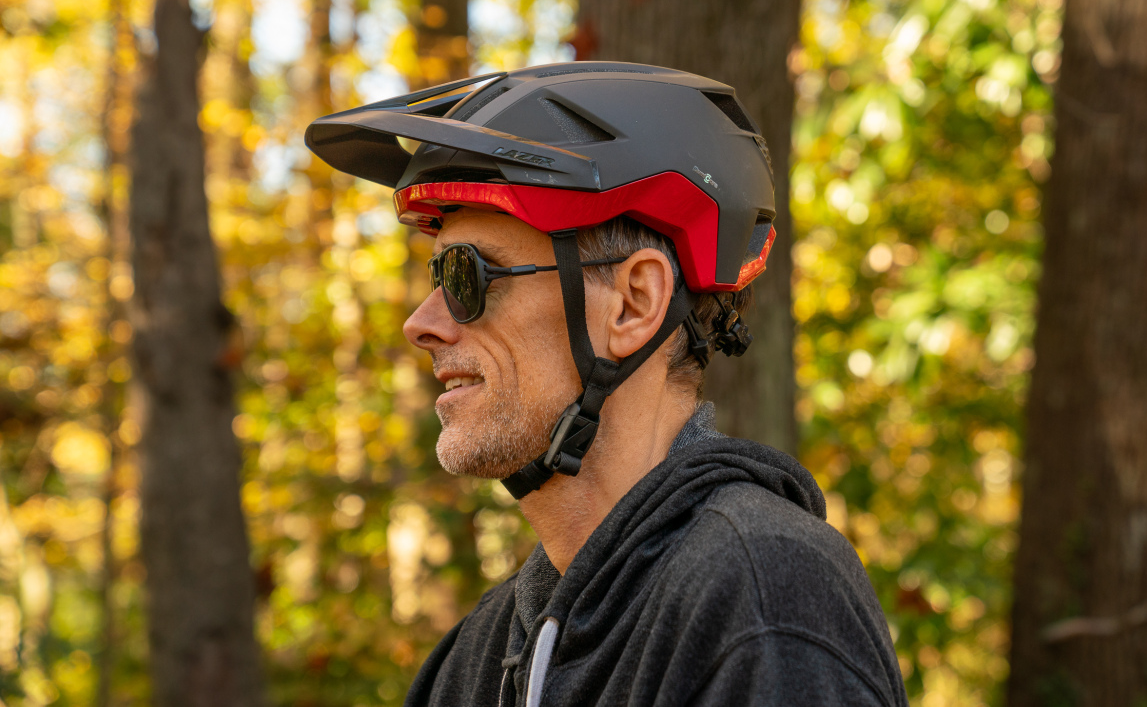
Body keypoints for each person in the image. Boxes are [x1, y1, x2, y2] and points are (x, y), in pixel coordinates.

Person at [306, 63, 908, 707]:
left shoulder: (765, 598)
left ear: (633, 303)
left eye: (467, 276)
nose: (421, 324)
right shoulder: (477, 659)